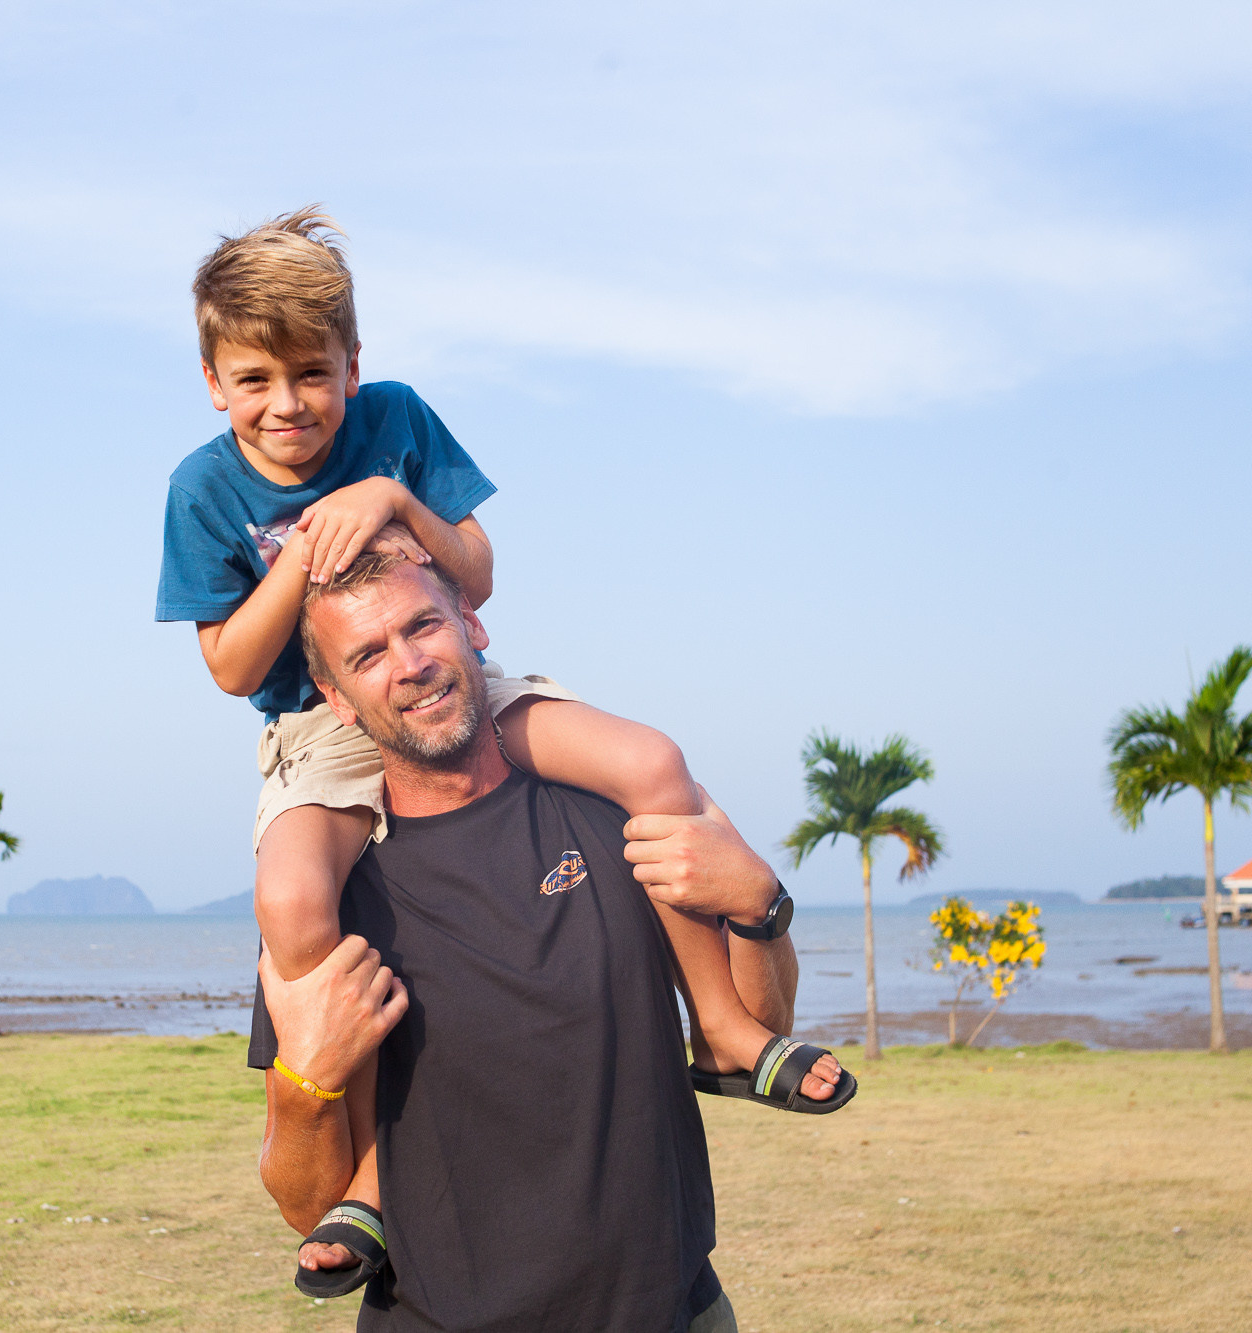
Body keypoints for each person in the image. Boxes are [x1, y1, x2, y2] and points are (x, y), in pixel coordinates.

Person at [157, 210, 846, 1287]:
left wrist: (385, 499)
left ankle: (719, 1028)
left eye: (310, 373)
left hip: (464, 687)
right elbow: (233, 668)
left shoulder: (394, 424)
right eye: (253, 380)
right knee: (292, 905)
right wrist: (301, 557)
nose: (285, 404)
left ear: (351, 364)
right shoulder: (202, 488)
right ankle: (368, 1185)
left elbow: (471, 577)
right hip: (314, 728)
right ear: (211, 380)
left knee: (654, 763)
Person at [252, 553, 856, 1329]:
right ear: (335, 699)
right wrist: (310, 1088)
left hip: (673, 1310)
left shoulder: (611, 815)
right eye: (368, 655)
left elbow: (762, 1022)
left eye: (423, 625)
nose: (409, 665)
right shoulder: (335, 894)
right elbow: (307, 1206)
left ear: (471, 625)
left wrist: (760, 905)